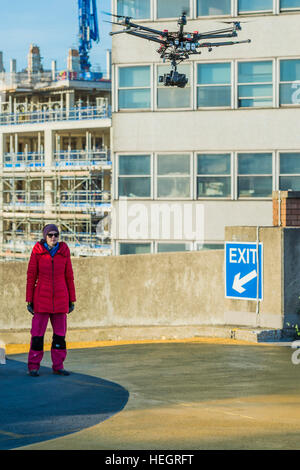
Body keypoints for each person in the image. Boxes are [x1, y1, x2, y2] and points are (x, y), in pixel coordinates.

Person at [26, 224, 76, 377]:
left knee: (60, 336)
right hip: (41, 299)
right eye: (50, 235)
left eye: (56, 234)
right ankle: (33, 367)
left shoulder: (64, 251)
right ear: (45, 236)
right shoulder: (37, 251)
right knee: (37, 336)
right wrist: (29, 300)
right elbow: (31, 276)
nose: (53, 237)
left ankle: (58, 366)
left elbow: (69, 276)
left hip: (61, 299)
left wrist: (72, 299)